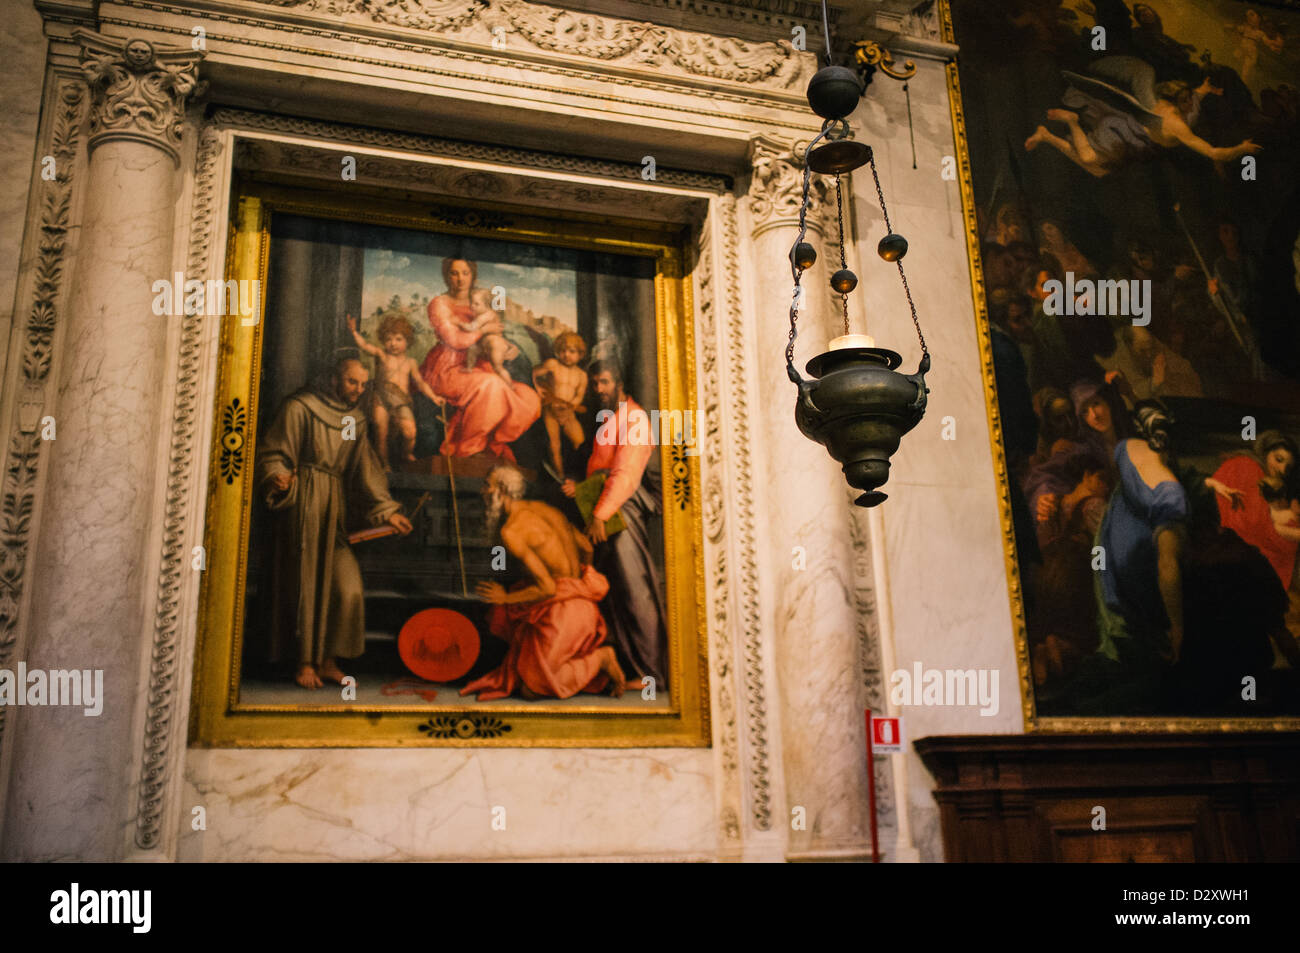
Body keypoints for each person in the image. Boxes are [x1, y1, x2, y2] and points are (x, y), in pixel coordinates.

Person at [255, 357, 414, 689]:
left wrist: (387, 510)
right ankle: (304, 663)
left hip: (334, 508)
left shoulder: (354, 420)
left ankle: (328, 660)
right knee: (306, 585)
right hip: (303, 503)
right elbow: (273, 454)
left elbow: (366, 471)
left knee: (348, 589)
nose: (357, 390)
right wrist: (279, 477)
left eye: (362, 384)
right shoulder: (300, 407)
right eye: (351, 382)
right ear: (332, 378)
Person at [460, 464, 626, 700]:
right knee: (525, 681)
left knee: (532, 689)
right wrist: (575, 582)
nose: (482, 491)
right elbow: (587, 548)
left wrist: (505, 598)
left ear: (502, 491)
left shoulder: (512, 531)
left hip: (564, 615)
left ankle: (602, 658)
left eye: (487, 485)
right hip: (584, 607)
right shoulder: (546, 510)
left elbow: (547, 588)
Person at [562, 361, 668, 688]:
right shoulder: (612, 418)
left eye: (604, 382)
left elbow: (625, 475)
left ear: (620, 383)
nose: (599, 389)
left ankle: (651, 673)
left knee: (633, 589)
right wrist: (581, 487)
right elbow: (603, 468)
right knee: (612, 590)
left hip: (625, 508)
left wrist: (600, 515)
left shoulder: (635, 419)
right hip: (609, 506)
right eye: (595, 383)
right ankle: (625, 666)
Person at [420, 258, 541, 461]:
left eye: (465, 273)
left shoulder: (480, 299)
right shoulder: (439, 304)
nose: (460, 279)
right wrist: (484, 330)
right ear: (446, 276)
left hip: (481, 366)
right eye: (454, 273)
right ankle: (468, 448)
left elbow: (497, 329)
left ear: (473, 275)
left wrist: (507, 348)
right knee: (491, 386)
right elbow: (455, 340)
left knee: (528, 398)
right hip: (447, 369)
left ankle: (491, 442)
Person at [346, 312, 446, 469]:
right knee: (381, 431)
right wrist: (353, 332)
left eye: (398, 339)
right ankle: (384, 464)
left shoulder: (410, 362)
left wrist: (434, 397)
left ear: (407, 340)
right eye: (388, 339)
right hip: (381, 398)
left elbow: (420, 382)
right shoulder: (382, 355)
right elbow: (365, 346)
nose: (393, 343)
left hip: (401, 401)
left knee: (410, 432)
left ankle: (405, 454)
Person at [532, 331, 589, 480]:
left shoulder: (582, 375)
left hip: (568, 412)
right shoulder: (553, 364)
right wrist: (538, 388)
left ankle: (577, 474)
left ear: (580, 353)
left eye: (572, 351)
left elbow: (579, 396)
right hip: (550, 410)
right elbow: (534, 373)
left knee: (579, 441)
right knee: (554, 445)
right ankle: (560, 476)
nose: (566, 355)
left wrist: (570, 406)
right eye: (563, 351)